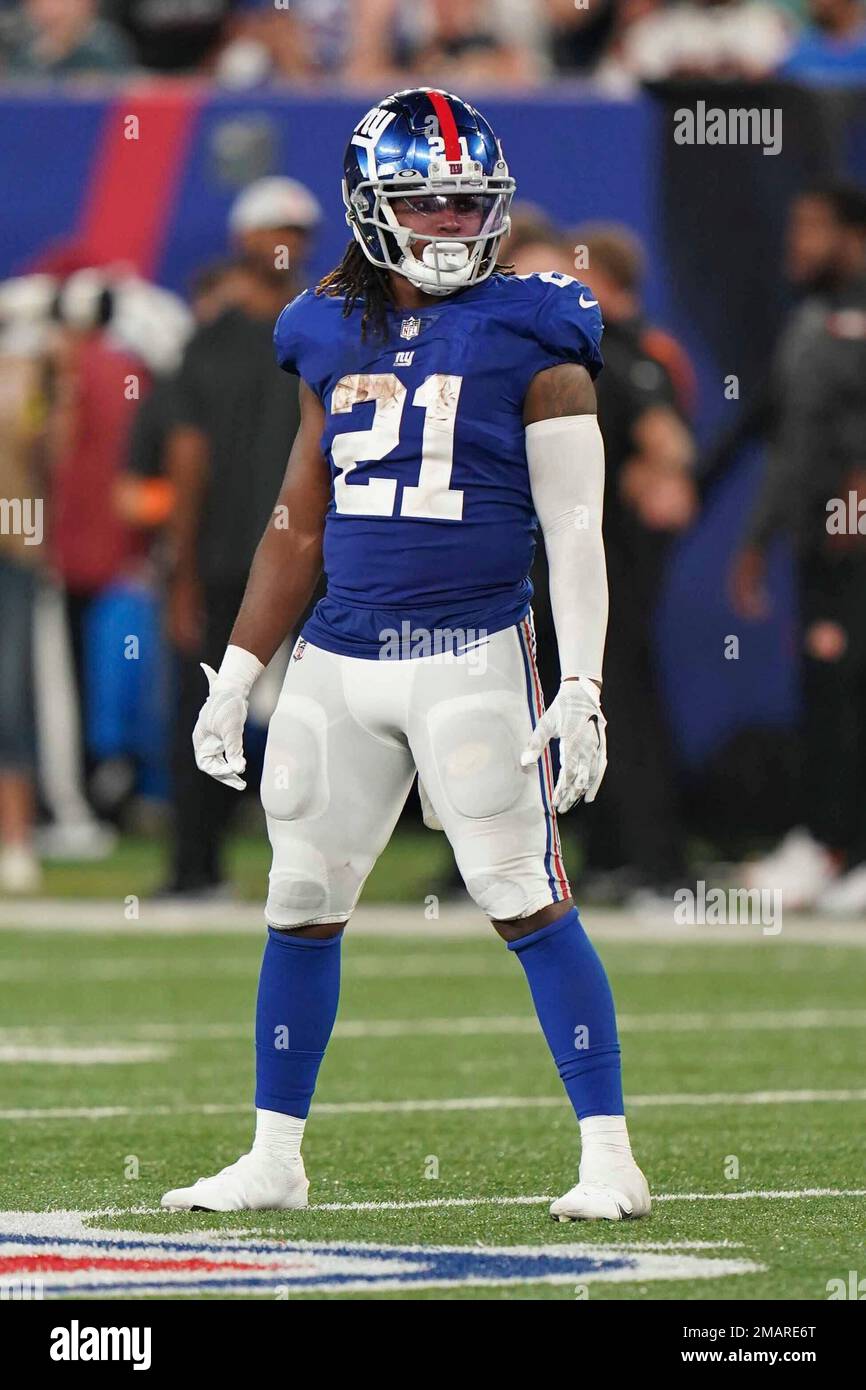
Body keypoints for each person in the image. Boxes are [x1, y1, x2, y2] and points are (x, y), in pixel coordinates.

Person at [161, 89, 651, 1223]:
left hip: (473, 644)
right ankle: (275, 1153)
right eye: (420, 201)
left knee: (520, 889)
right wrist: (239, 669)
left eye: (463, 202)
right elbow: (300, 515)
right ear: (369, 207)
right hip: (340, 654)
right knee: (296, 894)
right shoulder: (321, 324)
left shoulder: (539, 321)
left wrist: (579, 681)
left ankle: (607, 1150)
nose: (444, 223)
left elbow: (574, 525)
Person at [729, 181, 866, 912]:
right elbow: (789, 444)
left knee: (851, 692)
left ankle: (843, 847)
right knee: (827, 694)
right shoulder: (810, 319)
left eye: (814, 227)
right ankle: (828, 843)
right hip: (822, 542)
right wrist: (756, 541)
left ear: (854, 233)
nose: (798, 243)